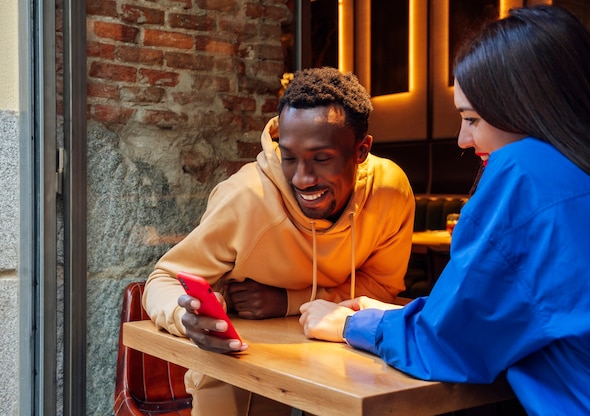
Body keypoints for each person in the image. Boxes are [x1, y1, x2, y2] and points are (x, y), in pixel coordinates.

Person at [299, 6, 590, 415]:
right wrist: (403, 313)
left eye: (471, 119)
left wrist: (348, 325)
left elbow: (449, 344)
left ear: (527, 106)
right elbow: (532, 315)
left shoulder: (525, 171)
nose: (462, 140)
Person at [142, 66, 415, 415]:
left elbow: (382, 285)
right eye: (288, 158)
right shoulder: (245, 197)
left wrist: (288, 301)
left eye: (321, 159)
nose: (302, 179)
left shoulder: (389, 191)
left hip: (343, 365)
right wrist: (187, 318)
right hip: (242, 373)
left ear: (361, 151)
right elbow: (163, 278)